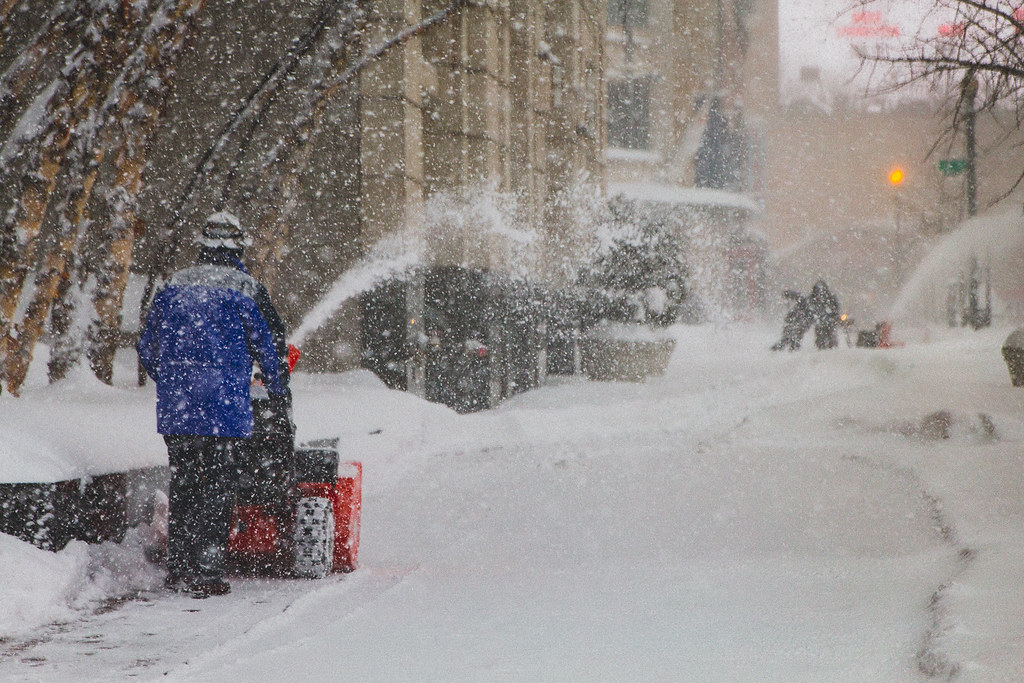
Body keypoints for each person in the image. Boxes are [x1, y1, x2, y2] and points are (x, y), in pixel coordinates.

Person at [137, 212, 288, 598]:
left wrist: (174, 382)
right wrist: (277, 386)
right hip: (225, 411)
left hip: (178, 410)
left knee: (184, 482)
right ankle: (207, 571)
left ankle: (180, 568)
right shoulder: (246, 287)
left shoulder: (172, 285)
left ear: (203, 245)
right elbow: (269, 347)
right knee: (218, 486)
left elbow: (147, 348)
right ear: (238, 246)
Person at [809, 280, 841, 350]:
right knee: (827, 333)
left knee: (823, 333)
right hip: (826, 320)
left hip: (824, 319)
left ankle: (825, 345)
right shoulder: (829, 297)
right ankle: (828, 345)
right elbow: (836, 307)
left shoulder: (814, 298)